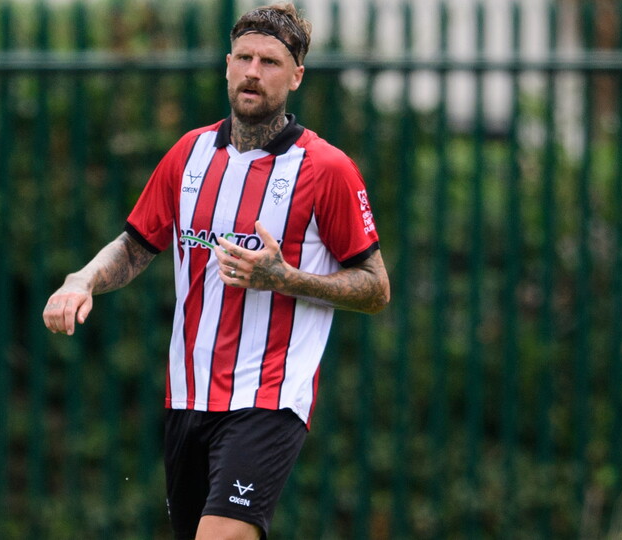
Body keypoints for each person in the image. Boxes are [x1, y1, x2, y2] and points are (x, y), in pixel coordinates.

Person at [43, 3, 390, 538]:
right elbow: (137, 245)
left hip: (268, 399)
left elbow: (375, 289)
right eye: (245, 58)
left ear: (297, 76)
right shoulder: (190, 154)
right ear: (227, 64)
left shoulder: (326, 169)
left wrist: (285, 278)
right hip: (186, 398)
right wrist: (82, 278)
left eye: (271, 62)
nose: (254, 71)